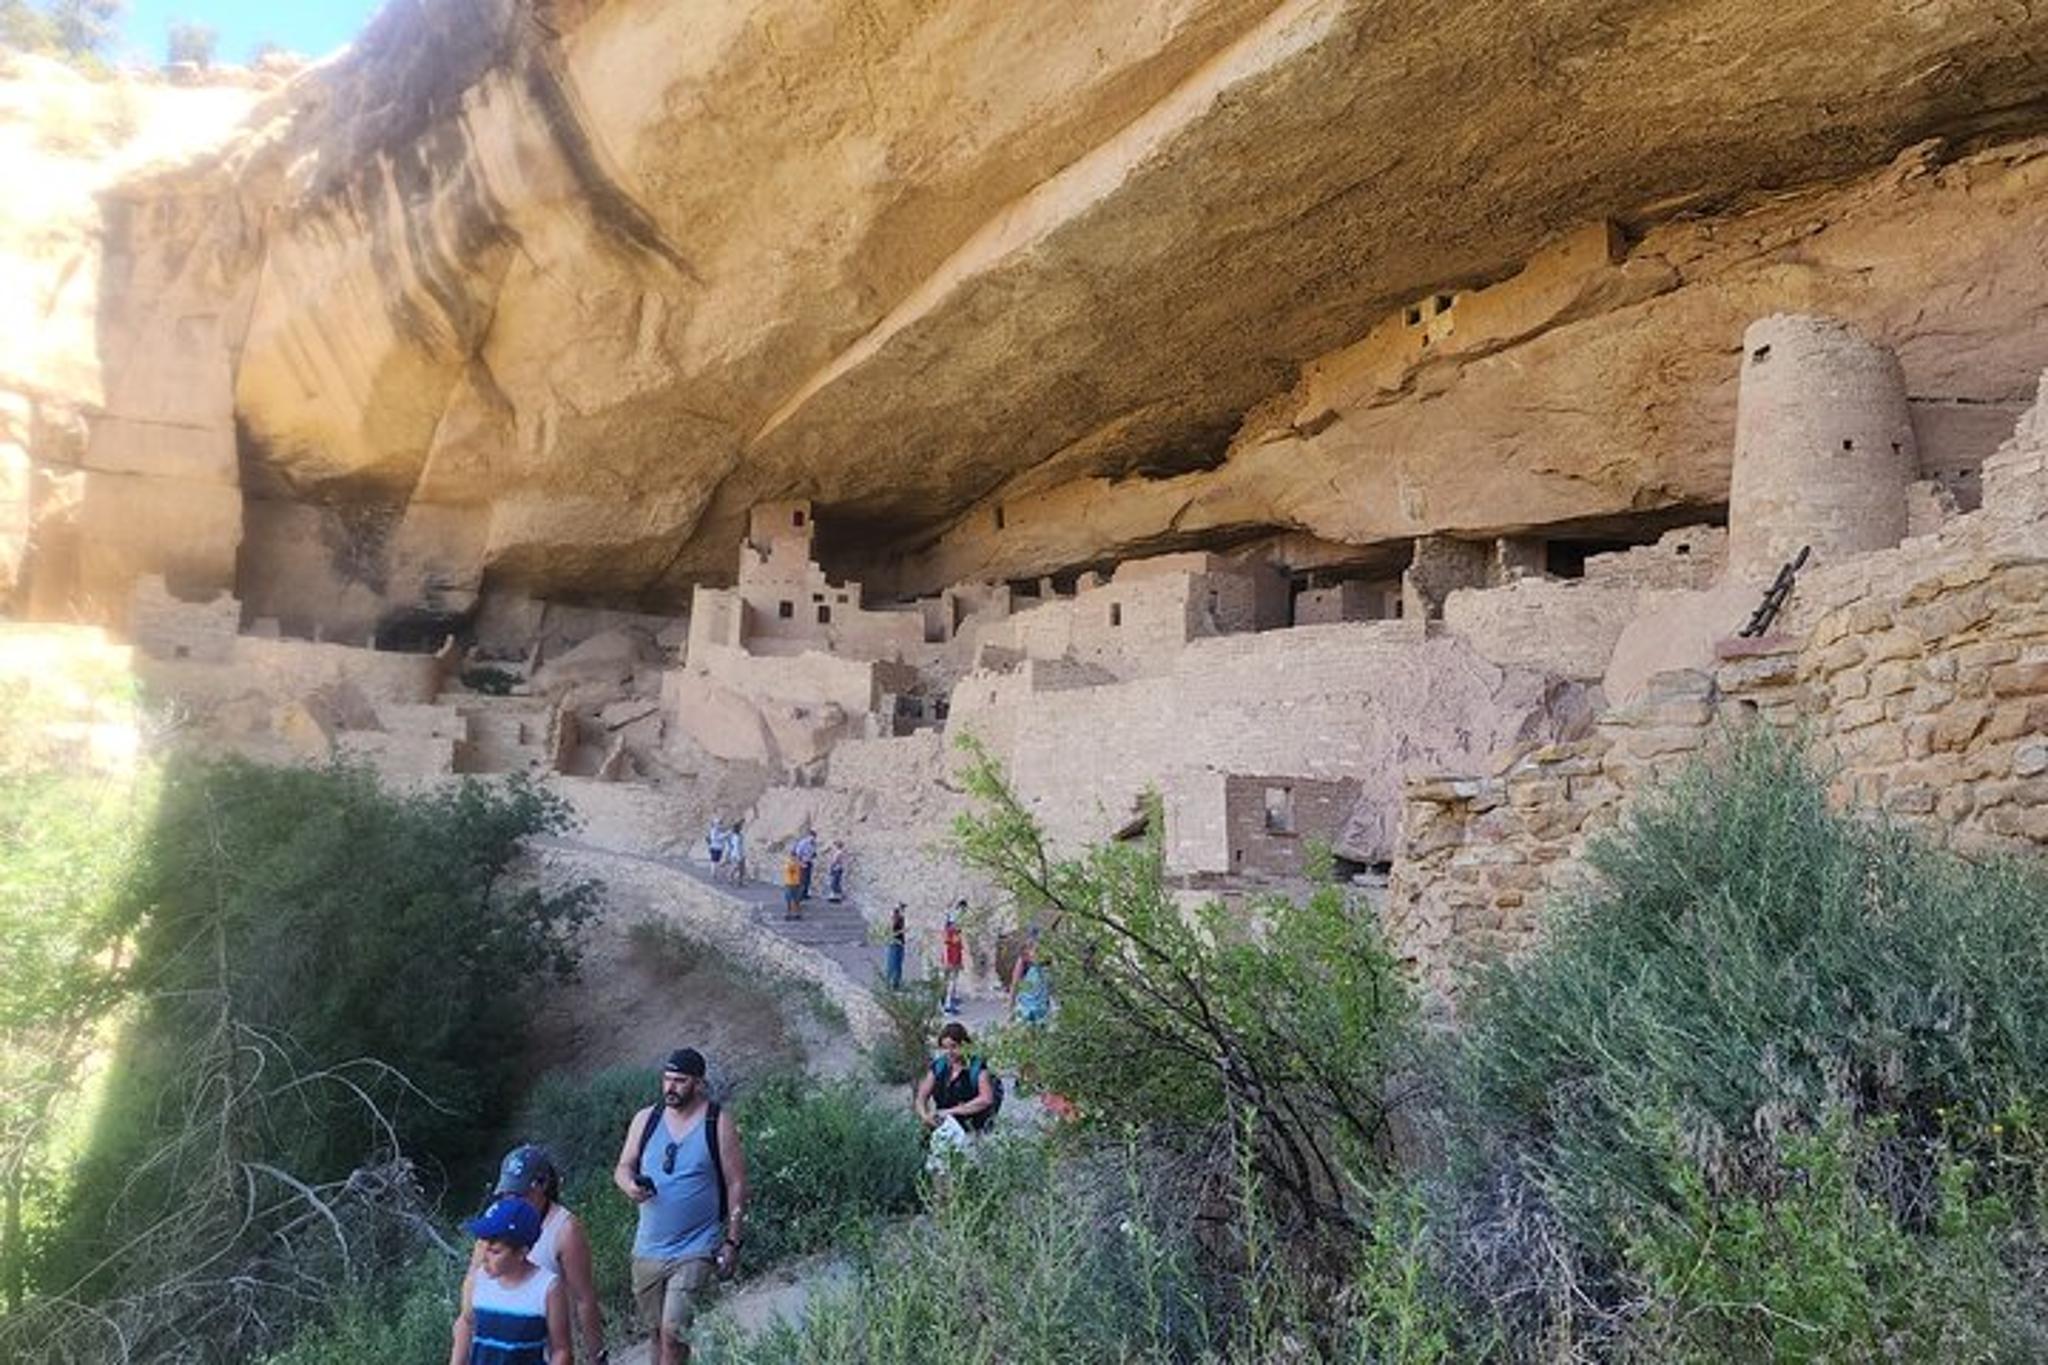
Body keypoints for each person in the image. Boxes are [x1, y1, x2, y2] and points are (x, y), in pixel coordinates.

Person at [613, 1048, 748, 1365]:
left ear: (698, 1083)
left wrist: (732, 1240)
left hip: (695, 1246)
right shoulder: (646, 1120)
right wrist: (629, 1186)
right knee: (657, 1335)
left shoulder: (717, 1122)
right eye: (667, 1079)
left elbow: (737, 1183)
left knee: (674, 1333)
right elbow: (622, 1167)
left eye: (679, 1081)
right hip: (648, 1247)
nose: (670, 1087)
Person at [471, 1145, 605, 1365]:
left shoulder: (565, 1230)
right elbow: (474, 1281)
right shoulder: (495, 1220)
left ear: (542, 1185)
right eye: (507, 1193)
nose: (511, 1199)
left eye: (519, 1193)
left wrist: (597, 1356)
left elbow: (584, 1298)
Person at [450, 1195, 572, 1365]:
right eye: (481, 1247)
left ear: (522, 1252)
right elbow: (465, 1321)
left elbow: (561, 1350)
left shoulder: (547, 1288)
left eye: (495, 1251)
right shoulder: (478, 1279)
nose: (484, 1257)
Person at [914, 1022, 997, 1172]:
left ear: (964, 1045)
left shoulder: (977, 1068)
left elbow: (986, 1099)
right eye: (945, 1047)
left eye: (953, 1046)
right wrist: (925, 1116)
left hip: (969, 1130)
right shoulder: (939, 1066)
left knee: (967, 1173)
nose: (949, 1052)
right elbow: (922, 1096)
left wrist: (951, 1111)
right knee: (939, 1171)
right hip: (943, 1128)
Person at [1009, 930, 1051, 1024]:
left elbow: (1051, 985)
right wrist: (1011, 1009)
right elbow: (1015, 984)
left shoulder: (1047, 963)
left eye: (1039, 949)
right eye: (1033, 949)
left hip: (1041, 1007)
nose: (1036, 953)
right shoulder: (1024, 961)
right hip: (1025, 1005)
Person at [940, 902, 966, 1015]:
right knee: (951, 982)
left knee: (951, 981)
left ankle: (948, 1002)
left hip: (953, 958)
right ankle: (947, 1006)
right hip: (951, 959)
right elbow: (949, 946)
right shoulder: (951, 932)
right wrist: (949, 961)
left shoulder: (953, 931)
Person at [883, 903, 907, 991]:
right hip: (894, 944)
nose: (903, 911)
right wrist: (902, 931)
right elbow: (890, 934)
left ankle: (896, 984)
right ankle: (889, 984)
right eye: (902, 909)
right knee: (892, 964)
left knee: (898, 965)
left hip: (900, 943)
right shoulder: (894, 919)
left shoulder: (901, 919)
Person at [792, 830, 818, 901]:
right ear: (809, 836)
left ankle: (805, 894)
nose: (813, 839)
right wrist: (800, 863)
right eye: (813, 837)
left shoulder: (813, 844)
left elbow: (813, 853)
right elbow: (798, 853)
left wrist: (813, 855)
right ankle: (798, 895)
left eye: (814, 837)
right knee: (802, 879)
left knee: (807, 879)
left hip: (809, 862)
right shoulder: (803, 843)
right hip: (802, 862)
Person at [780, 850, 803, 920]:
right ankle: (789, 914)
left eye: (795, 856)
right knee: (790, 899)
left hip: (795, 883)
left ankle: (795, 913)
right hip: (790, 883)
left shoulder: (796, 863)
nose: (795, 858)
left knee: (795, 899)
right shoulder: (790, 863)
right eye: (794, 856)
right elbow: (789, 869)